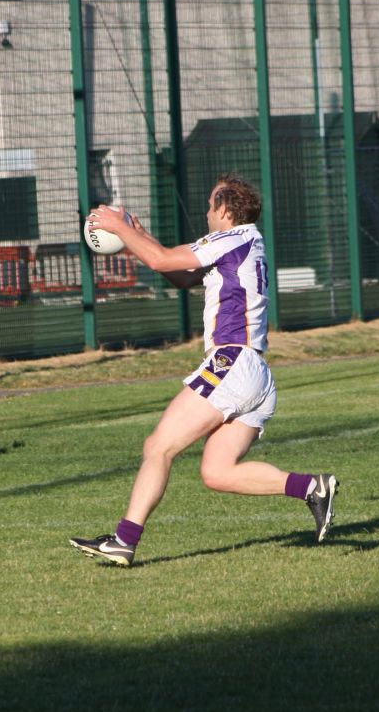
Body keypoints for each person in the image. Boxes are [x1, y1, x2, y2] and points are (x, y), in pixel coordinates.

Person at [69, 173, 338, 567]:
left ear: (226, 209)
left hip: (231, 362)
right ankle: (311, 488)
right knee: (217, 472)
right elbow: (178, 274)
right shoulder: (247, 242)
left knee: (159, 446)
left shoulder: (232, 237)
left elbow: (160, 258)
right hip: (256, 372)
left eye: (211, 204)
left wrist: (118, 227)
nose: (206, 211)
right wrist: (136, 238)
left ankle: (124, 540)